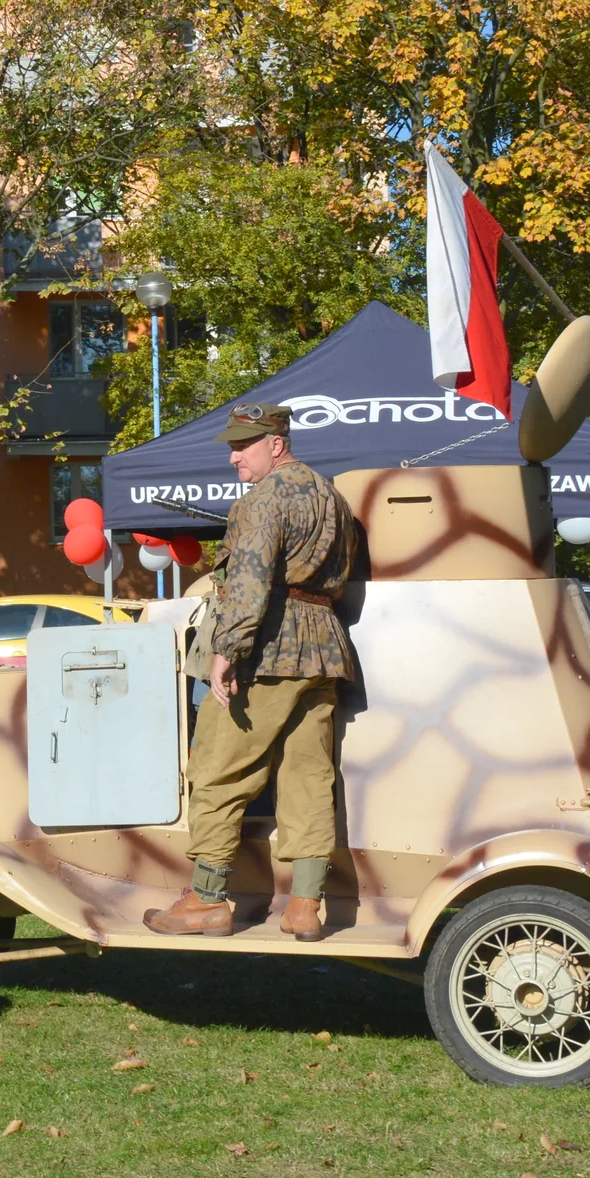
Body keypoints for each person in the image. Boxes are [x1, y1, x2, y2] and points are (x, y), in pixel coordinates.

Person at [145, 402, 359, 943]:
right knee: (309, 777)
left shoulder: (262, 500)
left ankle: (206, 900)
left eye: (243, 445)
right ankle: (306, 906)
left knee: (218, 769)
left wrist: (227, 649)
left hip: (266, 650)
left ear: (276, 442)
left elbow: (249, 580)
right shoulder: (333, 498)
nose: (234, 457)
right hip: (323, 648)